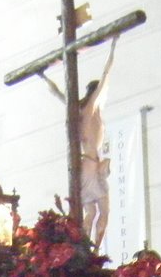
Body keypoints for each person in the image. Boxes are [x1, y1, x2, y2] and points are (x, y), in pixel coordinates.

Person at [41, 37, 118, 248]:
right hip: (92, 166)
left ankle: (84, 250)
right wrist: (113, 46)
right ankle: (95, 250)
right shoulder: (92, 108)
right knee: (104, 210)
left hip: (83, 165)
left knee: (90, 212)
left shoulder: (78, 110)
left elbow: (58, 94)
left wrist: (44, 78)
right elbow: (106, 76)